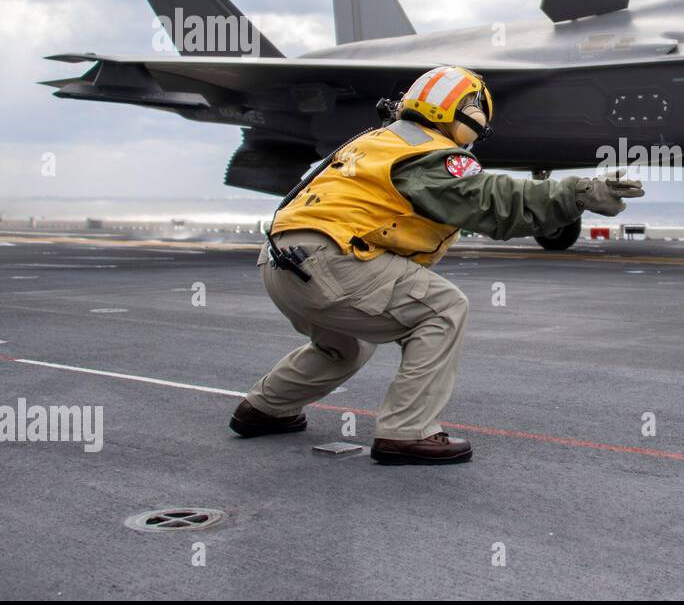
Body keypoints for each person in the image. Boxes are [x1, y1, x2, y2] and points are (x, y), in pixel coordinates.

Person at [229, 65, 643, 465]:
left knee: (343, 345)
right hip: (333, 262)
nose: (479, 128)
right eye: (476, 113)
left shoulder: (376, 142)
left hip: (280, 262)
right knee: (443, 309)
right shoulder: (429, 154)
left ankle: (265, 408)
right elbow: (491, 201)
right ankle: (406, 433)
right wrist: (579, 191)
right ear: (458, 112)